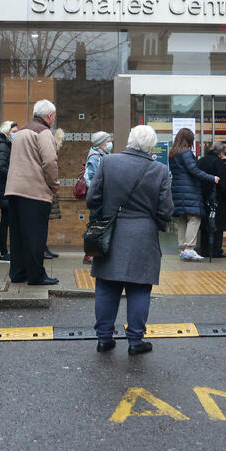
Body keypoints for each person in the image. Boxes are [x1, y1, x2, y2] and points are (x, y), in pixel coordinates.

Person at [87, 125, 173, 355]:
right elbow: (166, 211)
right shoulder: (160, 170)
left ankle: (104, 339)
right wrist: (156, 224)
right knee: (139, 289)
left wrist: (105, 214)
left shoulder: (109, 162)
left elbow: (92, 198)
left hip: (111, 234)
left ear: (129, 140)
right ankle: (135, 341)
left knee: (106, 286)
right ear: (151, 146)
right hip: (143, 236)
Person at [5, 99, 59, 286]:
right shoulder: (43, 132)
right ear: (50, 116)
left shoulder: (21, 132)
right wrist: (54, 186)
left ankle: (18, 272)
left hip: (14, 191)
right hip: (34, 192)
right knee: (36, 235)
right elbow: (50, 161)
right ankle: (36, 276)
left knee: (18, 235)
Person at [169, 127, 219, 262]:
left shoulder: (173, 153)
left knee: (183, 218)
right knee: (194, 217)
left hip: (178, 189)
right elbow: (194, 170)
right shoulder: (185, 153)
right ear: (188, 139)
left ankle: (183, 249)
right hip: (188, 189)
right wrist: (212, 177)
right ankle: (189, 249)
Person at [196, 141, 226, 258]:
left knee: (205, 225)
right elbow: (223, 184)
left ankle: (205, 249)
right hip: (217, 199)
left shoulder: (201, 161)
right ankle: (216, 250)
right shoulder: (218, 162)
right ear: (220, 152)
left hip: (203, 198)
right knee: (217, 225)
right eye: (223, 153)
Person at [82, 131, 112, 264]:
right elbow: (89, 178)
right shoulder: (95, 157)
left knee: (98, 223)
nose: (110, 144)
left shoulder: (103, 155)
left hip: (101, 197)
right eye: (107, 142)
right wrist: (99, 191)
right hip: (98, 198)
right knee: (94, 224)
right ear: (100, 144)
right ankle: (90, 254)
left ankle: (95, 251)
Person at [0, 121, 17, 263]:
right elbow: (1, 168)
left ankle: (6, 252)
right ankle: (4, 253)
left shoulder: (6, 145)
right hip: (6, 188)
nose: (16, 134)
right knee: (6, 220)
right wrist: (15, 176)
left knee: (7, 220)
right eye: (14, 132)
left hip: (6, 187)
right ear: (7, 132)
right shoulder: (2, 145)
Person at [44, 128, 67, 259]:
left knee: (44, 222)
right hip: (46, 189)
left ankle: (44, 247)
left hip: (48, 189)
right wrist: (54, 184)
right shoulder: (47, 150)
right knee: (41, 223)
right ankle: (42, 248)